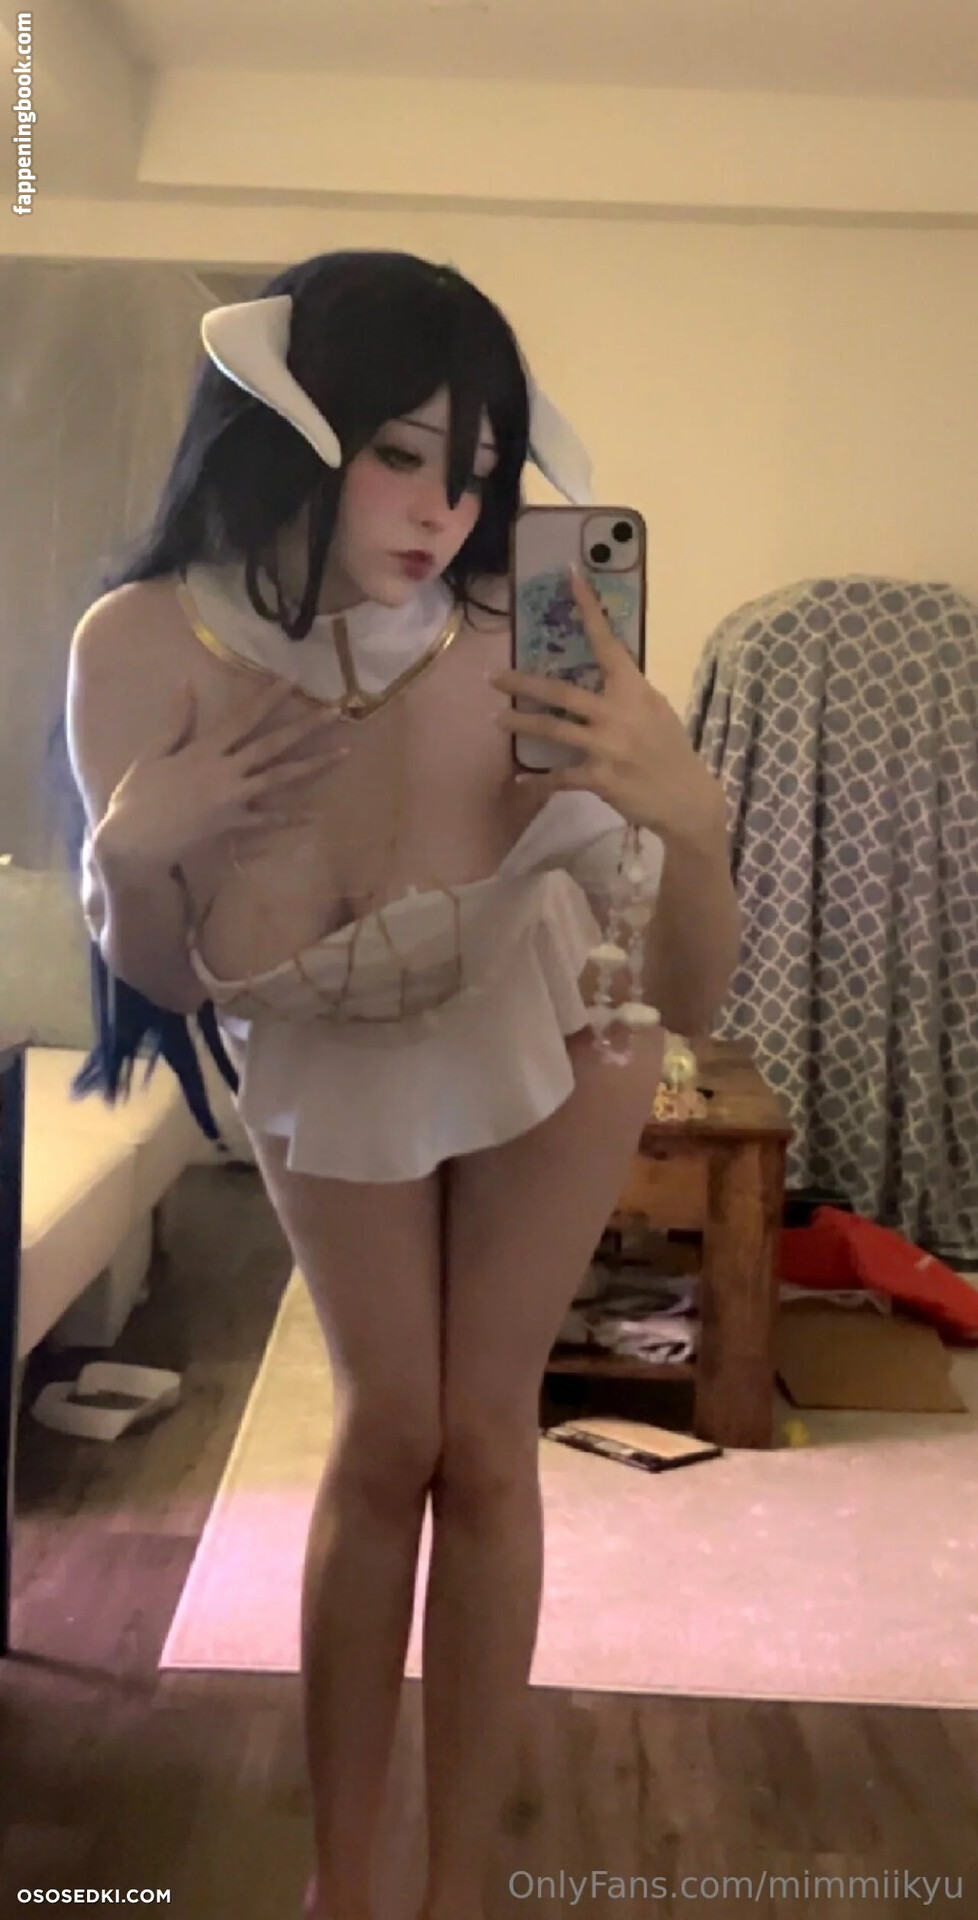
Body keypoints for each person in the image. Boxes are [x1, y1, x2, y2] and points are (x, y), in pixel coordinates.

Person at [54, 250, 740, 1920]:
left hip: (549, 1008)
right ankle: (345, 1885)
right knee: (389, 1437)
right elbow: (168, 988)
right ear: (289, 432)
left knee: (485, 1442)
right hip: (325, 1034)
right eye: (400, 453)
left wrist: (696, 827)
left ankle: (462, 1890)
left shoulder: (524, 630)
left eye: (480, 470)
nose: (444, 509)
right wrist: (128, 862)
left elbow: (685, 1004)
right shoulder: (144, 645)